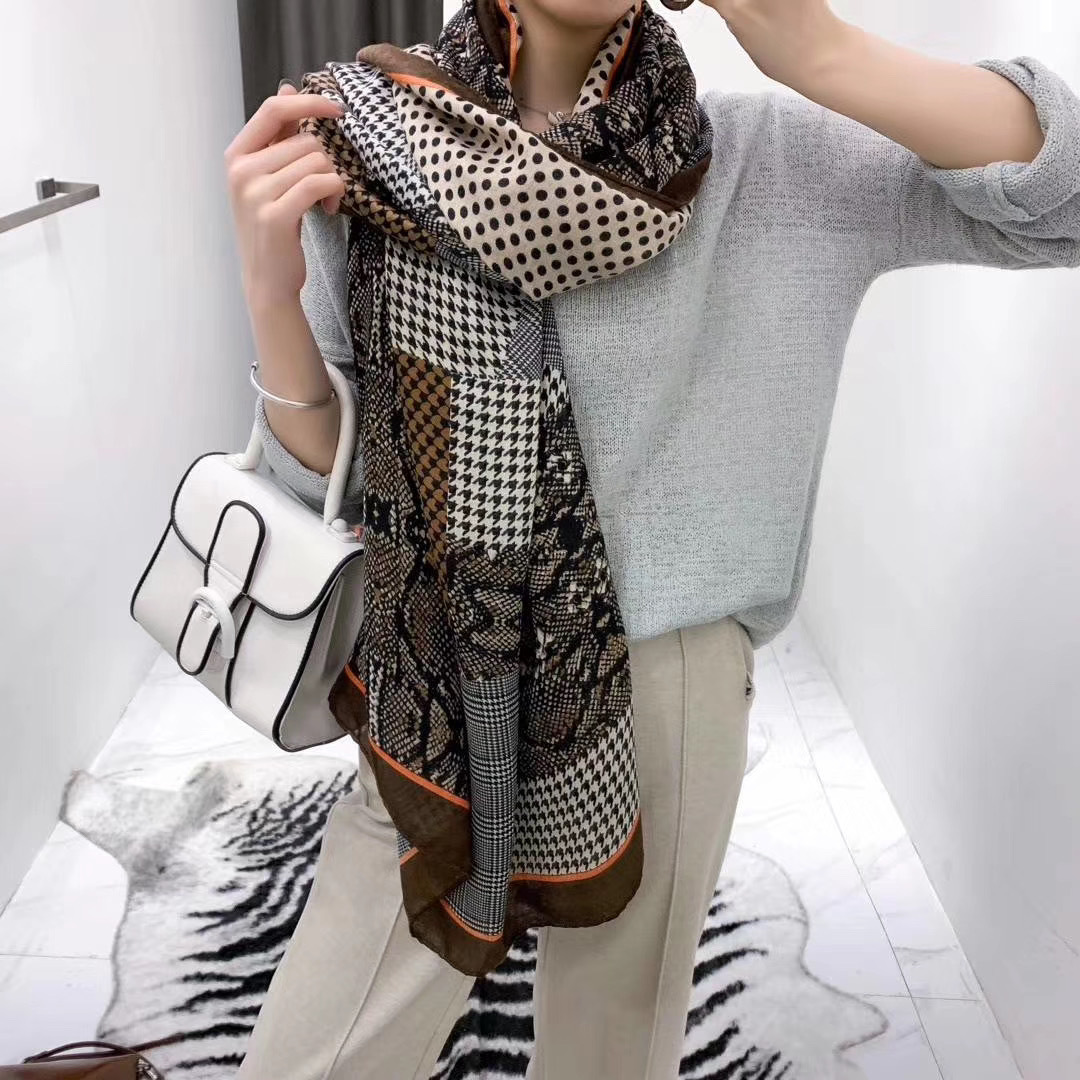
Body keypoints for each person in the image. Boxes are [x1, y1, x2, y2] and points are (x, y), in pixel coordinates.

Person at [226, 1, 1080, 1077]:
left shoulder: (768, 163)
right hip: (436, 671)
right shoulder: (368, 146)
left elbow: (1062, 201)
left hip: (666, 688)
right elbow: (323, 483)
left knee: (611, 1056)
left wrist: (821, 51)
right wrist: (270, 296)